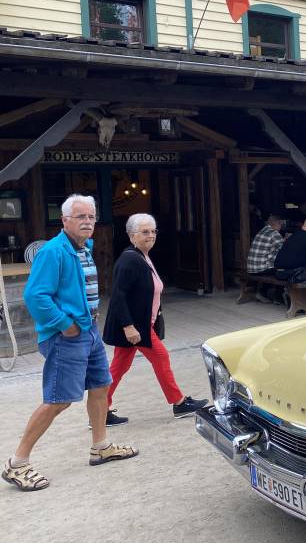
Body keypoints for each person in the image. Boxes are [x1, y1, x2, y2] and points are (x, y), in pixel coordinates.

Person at [3, 195, 137, 492]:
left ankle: (100, 446)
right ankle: (17, 463)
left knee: (101, 387)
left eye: (91, 216)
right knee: (58, 399)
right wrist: (66, 325)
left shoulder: (83, 248)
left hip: (88, 332)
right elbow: (35, 296)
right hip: (67, 337)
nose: (87, 221)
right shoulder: (53, 252)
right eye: (80, 217)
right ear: (64, 221)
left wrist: (81, 327)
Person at [102, 214, 208, 423]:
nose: (150, 235)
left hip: (139, 324)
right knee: (161, 356)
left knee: (118, 367)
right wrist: (129, 327)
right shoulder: (130, 260)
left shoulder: (142, 256)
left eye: (153, 231)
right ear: (132, 236)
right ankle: (179, 403)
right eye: (145, 232)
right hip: (135, 326)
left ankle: (99, 409)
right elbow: (118, 296)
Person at [246, 214, 285, 303]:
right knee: (283, 271)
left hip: (251, 268)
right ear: (277, 224)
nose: (281, 227)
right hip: (260, 269)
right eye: (281, 225)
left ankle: (264, 292)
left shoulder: (262, 230)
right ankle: (277, 297)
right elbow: (285, 249)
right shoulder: (274, 233)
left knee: (272, 267)